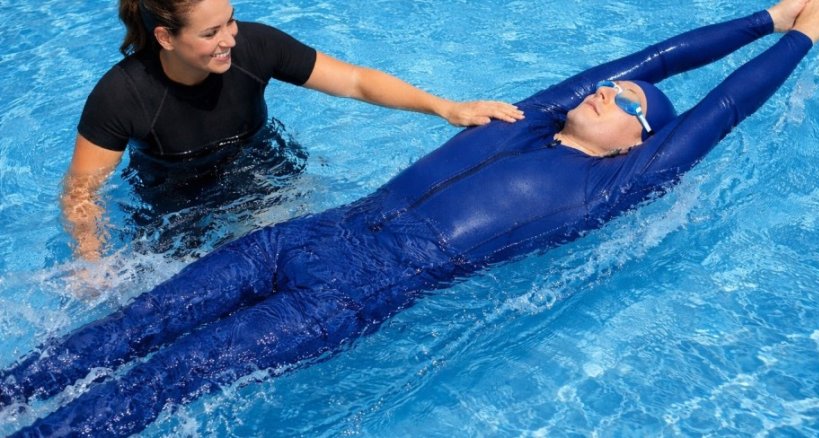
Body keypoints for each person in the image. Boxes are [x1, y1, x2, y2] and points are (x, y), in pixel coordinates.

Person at [3, 0, 819, 435]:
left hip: (345, 297)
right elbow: (653, 56)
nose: (605, 88)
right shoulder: (525, 118)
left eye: (622, 100)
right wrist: (771, 12)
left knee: (165, 381)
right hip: (306, 235)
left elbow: (725, 104)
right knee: (131, 325)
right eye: (605, 86)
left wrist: (803, 40)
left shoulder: (615, 186)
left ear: (639, 141)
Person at [62, 0, 526, 261]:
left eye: (230, 21)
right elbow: (83, 190)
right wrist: (90, 262)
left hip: (261, 171)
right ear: (166, 38)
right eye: (210, 34)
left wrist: (445, 108)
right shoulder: (123, 94)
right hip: (175, 201)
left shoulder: (255, 47)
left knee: (307, 258)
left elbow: (355, 81)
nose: (229, 39)